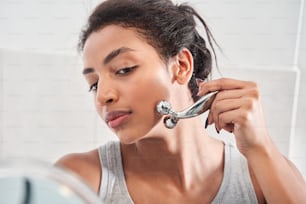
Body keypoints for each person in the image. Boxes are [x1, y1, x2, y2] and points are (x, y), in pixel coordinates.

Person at [55, 0, 306, 203]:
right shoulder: (79, 180)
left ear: (182, 66)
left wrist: (260, 147)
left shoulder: (262, 178)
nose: (103, 96)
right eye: (94, 84)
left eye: (124, 69)